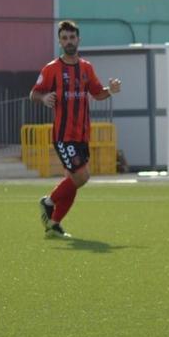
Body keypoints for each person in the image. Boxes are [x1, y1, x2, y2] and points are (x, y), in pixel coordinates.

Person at [29, 20, 121, 238]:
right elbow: (33, 94)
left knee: (73, 180)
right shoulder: (52, 69)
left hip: (82, 135)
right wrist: (44, 98)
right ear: (59, 41)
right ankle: (48, 202)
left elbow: (98, 93)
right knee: (82, 177)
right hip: (64, 135)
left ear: (78, 39)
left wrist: (112, 90)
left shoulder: (87, 68)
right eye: (64, 38)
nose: (69, 42)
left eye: (72, 37)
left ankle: (53, 224)